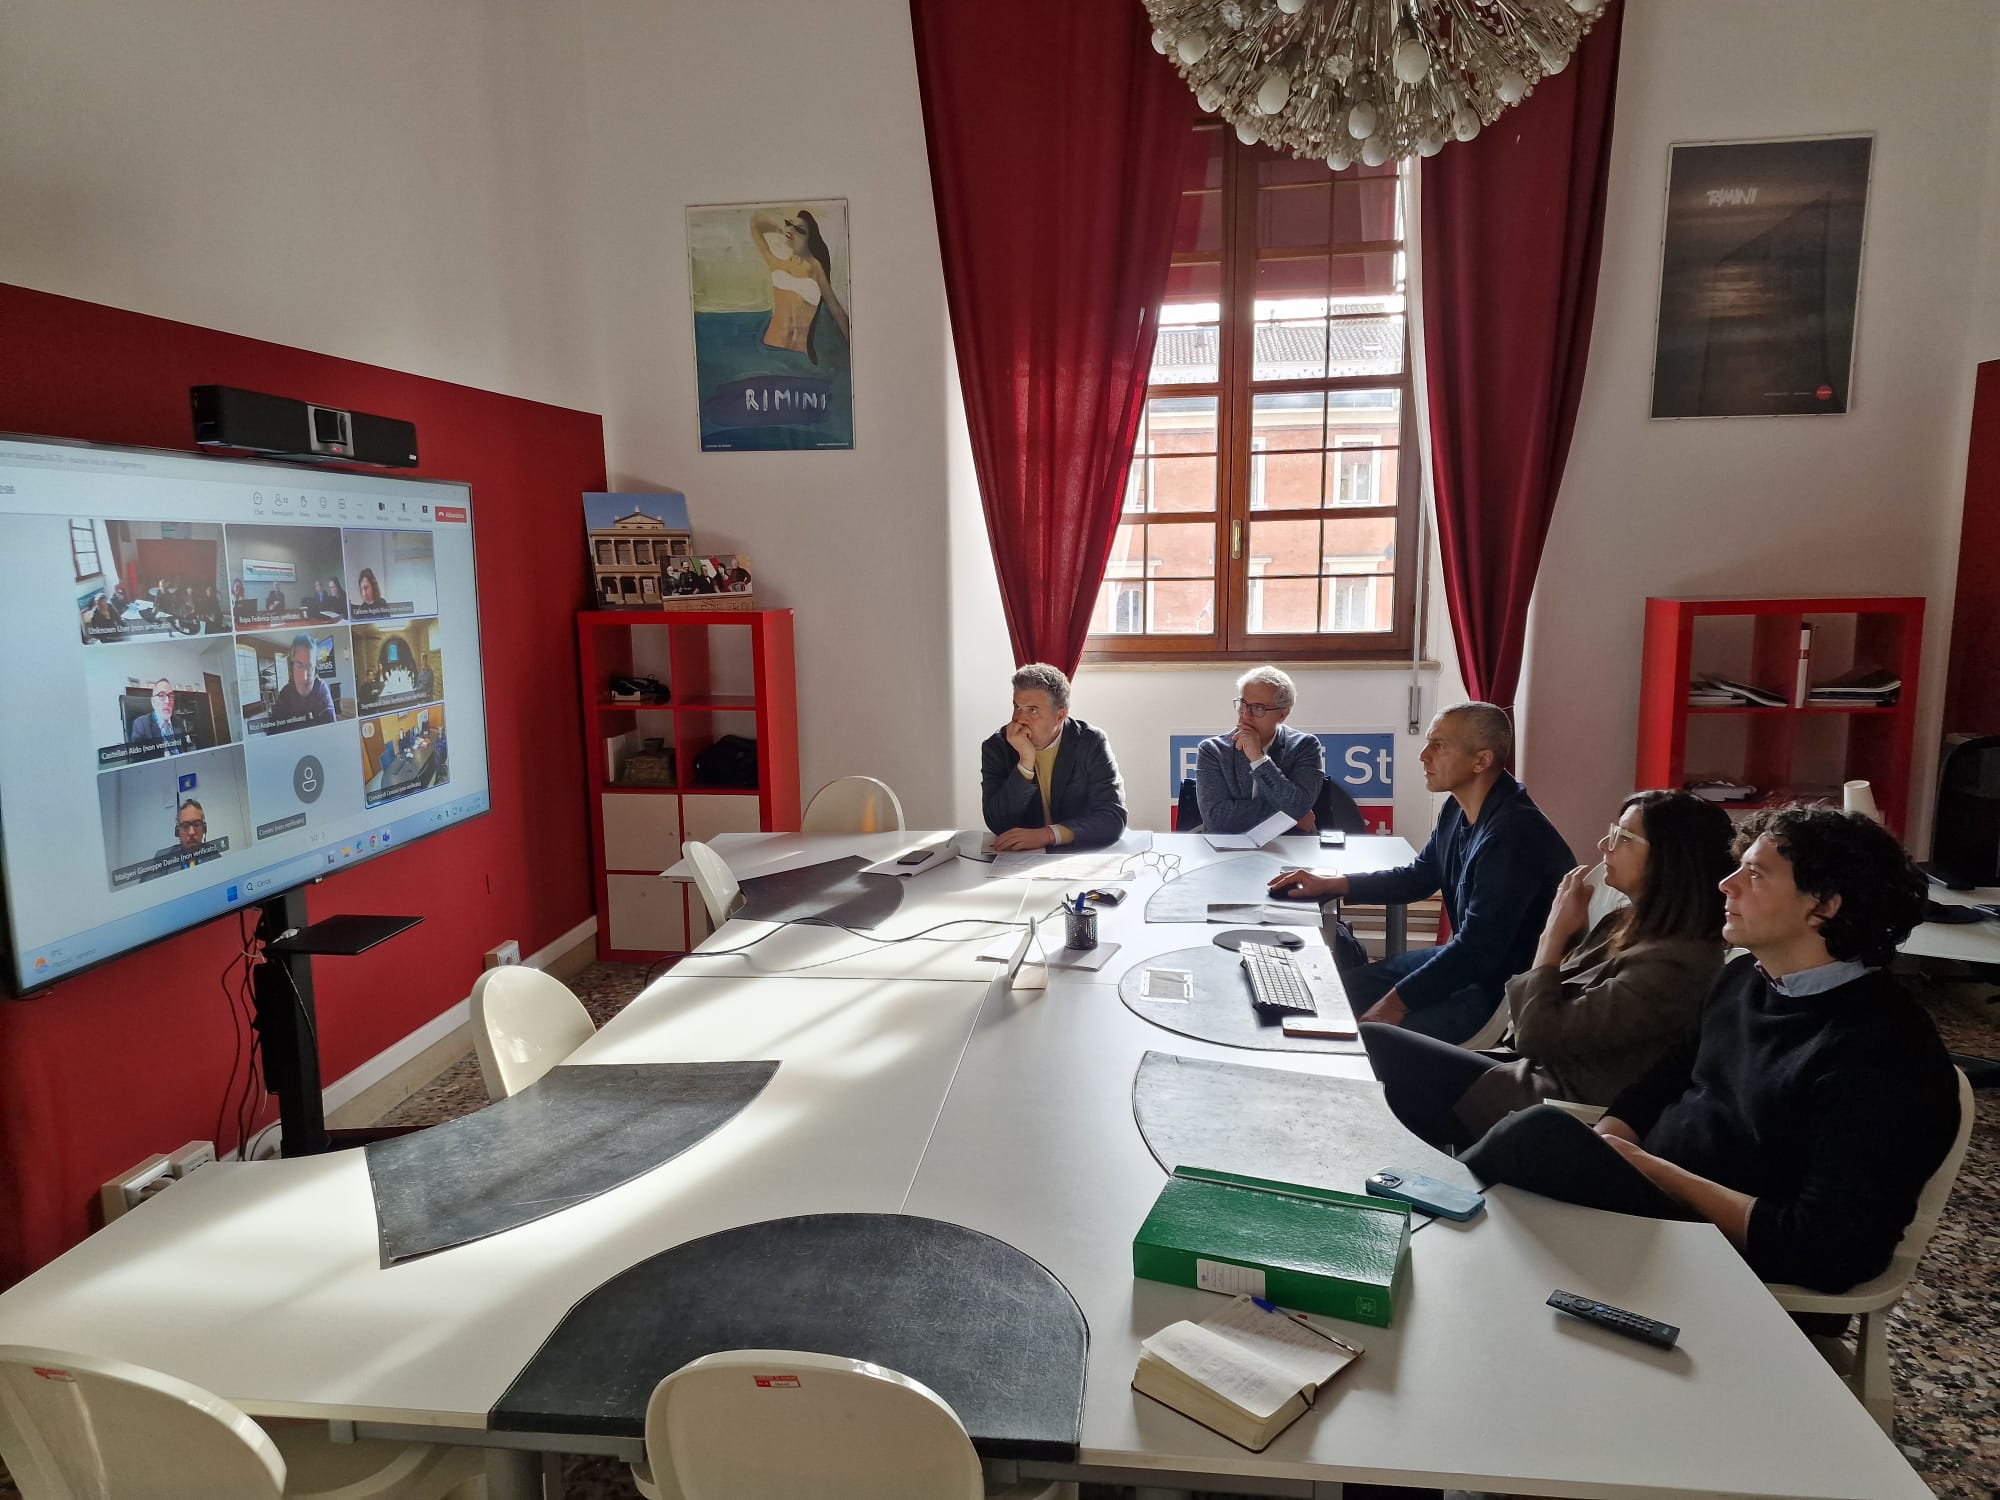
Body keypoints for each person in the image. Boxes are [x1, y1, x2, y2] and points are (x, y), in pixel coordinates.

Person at [1461, 807, 1961, 1294]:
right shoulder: (1745, 978)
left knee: (1529, 1142)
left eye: (1755, 874)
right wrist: (1606, 1149)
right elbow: (1660, 1082)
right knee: (1508, 1172)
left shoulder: (1885, 1055)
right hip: (1649, 1204)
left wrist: (1648, 1169)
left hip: (1727, 1263)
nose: (1726, 884)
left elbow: (1822, 1250)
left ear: (1825, 905)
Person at [1361, 788, 1734, 1150]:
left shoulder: (1674, 965)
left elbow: (1536, 1034)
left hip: (1551, 1106)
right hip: (1524, 1072)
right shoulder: (1629, 922)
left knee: (1379, 1051)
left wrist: (1552, 936)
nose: (1604, 845)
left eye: (1623, 837)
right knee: (1375, 1044)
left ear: (1670, 858)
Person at [1268, 703, 1572, 1042]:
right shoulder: (1457, 807)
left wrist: (1395, 1002)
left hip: (1501, 990)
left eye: (1439, 746)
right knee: (1329, 990)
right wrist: (1333, 884)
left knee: (1370, 1038)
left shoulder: (1514, 834)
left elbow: (1478, 950)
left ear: (1481, 760)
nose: (1423, 756)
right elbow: (1418, 877)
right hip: (1468, 965)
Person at [1194, 665, 1361, 835]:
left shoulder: (1305, 746)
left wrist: (1259, 759)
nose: (1245, 715)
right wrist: (1290, 814)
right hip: (1227, 846)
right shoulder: (1212, 750)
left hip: (1292, 845)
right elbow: (1216, 819)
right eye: (1243, 704)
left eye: (1258, 708)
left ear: (1283, 714)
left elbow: (1298, 805)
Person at [979, 662, 1126, 851]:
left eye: (1033, 710)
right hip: (1021, 859)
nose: (1019, 718)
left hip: (1080, 853)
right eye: (1017, 707)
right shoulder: (996, 747)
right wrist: (1025, 763)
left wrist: (1048, 835)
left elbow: (1113, 818)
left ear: (1060, 715)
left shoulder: (1090, 743)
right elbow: (997, 823)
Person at [749, 208, 851, 366]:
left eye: (800, 230)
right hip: (769, 348)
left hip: (799, 356)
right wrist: (784, 226)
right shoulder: (776, 263)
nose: (792, 230)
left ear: (809, 238)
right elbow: (756, 223)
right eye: (789, 225)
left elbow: (835, 309)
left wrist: (854, 346)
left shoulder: (815, 267)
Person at [268, 635, 336, 731]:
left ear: (315, 671)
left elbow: (331, 732)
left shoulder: (322, 692)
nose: (304, 677)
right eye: (299, 666)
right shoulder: (285, 692)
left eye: (309, 667)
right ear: (291, 669)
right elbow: (273, 731)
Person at [155, 799, 219, 869]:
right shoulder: (162, 859)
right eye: (185, 826)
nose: (192, 832)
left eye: (196, 825)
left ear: (204, 829)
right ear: (178, 832)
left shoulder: (212, 853)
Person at [127, 679, 183, 751]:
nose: (167, 701)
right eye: (161, 695)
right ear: (153, 702)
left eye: (171, 696)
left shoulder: (178, 722)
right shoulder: (141, 725)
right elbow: (138, 755)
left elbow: (184, 749)